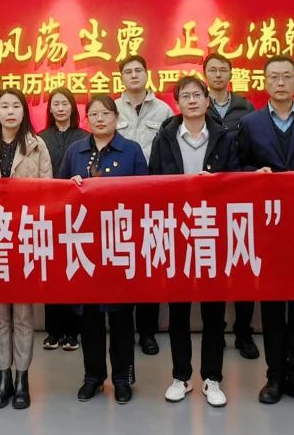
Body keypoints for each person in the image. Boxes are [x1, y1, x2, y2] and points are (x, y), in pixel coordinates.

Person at [235, 55, 294, 411]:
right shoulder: (250, 123)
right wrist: (253, 174)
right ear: (264, 82)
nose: (280, 82)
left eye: (287, 76)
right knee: (273, 305)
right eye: (274, 77)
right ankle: (275, 376)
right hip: (268, 227)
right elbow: (238, 166)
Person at [148, 76, 235, 407]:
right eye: (185, 96)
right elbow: (154, 181)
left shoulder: (224, 137)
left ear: (208, 100)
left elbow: (237, 179)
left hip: (214, 230)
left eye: (198, 95)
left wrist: (218, 183)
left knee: (214, 310)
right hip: (177, 231)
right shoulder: (165, 138)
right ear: (178, 103)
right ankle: (181, 376)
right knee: (179, 310)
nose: (193, 100)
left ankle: (212, 378)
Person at [0, 89, 53, 410]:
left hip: (25, 237)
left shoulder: (37, 145)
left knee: (24, 314)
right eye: (4, 106)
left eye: (16, 105)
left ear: (24, 111)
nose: (10, 111)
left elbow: (48, 193)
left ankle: (22, 378)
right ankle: (2, 376)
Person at [58, 95, 148, 404]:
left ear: (116, 118)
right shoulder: (75, 151)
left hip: (119, 244)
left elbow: (145, 196)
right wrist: (69, 187)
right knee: (90, 316)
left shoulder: (131, 150)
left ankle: (122, 377)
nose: (99, 119)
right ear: (86, 119)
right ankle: (93, 376)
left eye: (105, 114)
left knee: (121, 316)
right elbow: (59, 193)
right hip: (85, 245)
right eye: (93, 114)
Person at [114, 54, 171, 356]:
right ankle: (124, 327)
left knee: (150, 263)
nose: (134, 75)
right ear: (121, 77)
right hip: (119, 199)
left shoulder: (164, 110)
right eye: (128, 71)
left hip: (153, 196)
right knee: (124, 262)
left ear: (147, 75)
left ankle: (148, 332)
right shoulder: (112, 108)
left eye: (139, 70)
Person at [202, 53, 258, 360]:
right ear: (205, 75)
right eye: (212, 70)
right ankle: (217, 330)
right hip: (208, 200)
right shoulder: (198, 104)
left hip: (240, 196)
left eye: (223, 70)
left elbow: (251, 150)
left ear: (230, 74)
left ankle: (244, 331)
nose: (218, 74)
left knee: (242, 266)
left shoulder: (245, 107)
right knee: (214, 267)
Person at [37, 87, 87, 351]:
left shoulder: (85, 138)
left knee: (75, 270)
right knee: (53, 271)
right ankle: (53, 331)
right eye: (55, 104)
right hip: (49, 212)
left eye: (65, 103)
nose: (60, 108)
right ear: (50, 109)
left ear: (72, 108)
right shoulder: (40, 138)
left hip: (78, 213)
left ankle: (73, 331)